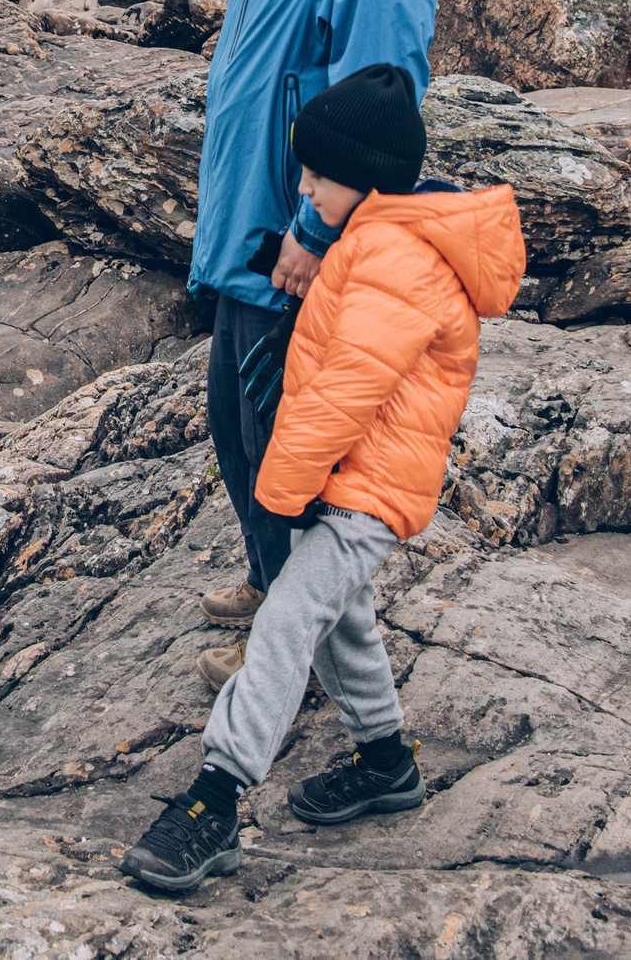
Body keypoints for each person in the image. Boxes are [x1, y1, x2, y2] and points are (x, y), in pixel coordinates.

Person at [122, 65, 526, 893]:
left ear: (365, 176)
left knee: (286, 617)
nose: (304, 187)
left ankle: (214, 800)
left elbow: (347, 390)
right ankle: (385, 761)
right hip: (352, 476)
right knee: (341, 620)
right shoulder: (377, 236)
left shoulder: (397, 257)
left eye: (317, 173)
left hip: (366, 487)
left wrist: (282, 490)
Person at [191, 0, 443, 677]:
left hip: (298, 246)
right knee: (239, 426)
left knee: (293, 455)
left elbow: (381, 105)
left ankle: (294, 657)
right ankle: (271, 585)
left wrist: (314, 228)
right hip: (250, 226)